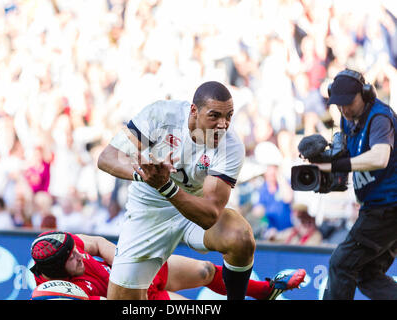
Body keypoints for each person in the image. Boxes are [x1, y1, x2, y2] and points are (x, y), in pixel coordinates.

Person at [97, 81, 256, 300]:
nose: (223, 124)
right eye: (214, 116)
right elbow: (107, 158)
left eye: (229, 116)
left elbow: (209, 215)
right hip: (148, 209)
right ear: (194, 111)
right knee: (123, 301)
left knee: (240, 236)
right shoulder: (161, 115)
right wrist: (145, 174)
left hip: (194, 210)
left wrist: (166, 186)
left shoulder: (231, 146)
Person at [311, 69, 397, 300]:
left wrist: (337, 166)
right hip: (378, 207)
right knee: (367, 274)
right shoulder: (346, 119)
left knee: (341, 264)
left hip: (387, 207)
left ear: (366, 94)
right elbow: (347, 157)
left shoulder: (380, 117)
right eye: (338, 104)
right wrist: (324, 159)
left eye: (348, 103)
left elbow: (380, 158)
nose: (344, 109)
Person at [29, 231, 306, 300]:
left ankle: (265, 291)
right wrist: (129, 287)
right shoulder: (59, 290)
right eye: (72, 259)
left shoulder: (61, 243)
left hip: (135, 269)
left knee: (205, 271)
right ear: (57, 271)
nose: (79, 255)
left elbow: (100, 243)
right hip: (136, 299)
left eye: (76, 250)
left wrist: (128, 269)